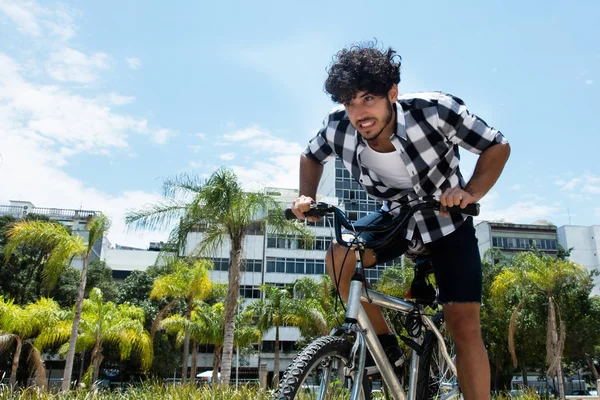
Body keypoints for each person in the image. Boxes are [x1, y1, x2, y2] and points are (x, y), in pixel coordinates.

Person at [291, 42, 510, 400]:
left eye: (368, 99)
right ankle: (386, 346)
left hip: (446, 221)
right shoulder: (338, 128)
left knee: (463, 325)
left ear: (392, 93)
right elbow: (310, 156)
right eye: (349, 102)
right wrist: (306, 196)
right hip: (396, 217)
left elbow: (497, 145)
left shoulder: (435, 111)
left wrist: (469, 193)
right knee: (340, 257)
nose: (359, 113)